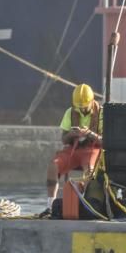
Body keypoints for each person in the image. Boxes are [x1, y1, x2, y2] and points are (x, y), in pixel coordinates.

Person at [44, 83, 102, 214]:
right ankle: (50, 204)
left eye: (84, 107)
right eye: (79, 107)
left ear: (92, 102)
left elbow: (105, 141)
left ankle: (85, 203)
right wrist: (72, 133)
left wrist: (89, 134)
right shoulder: (70, 112)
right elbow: (64, 140)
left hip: (92, 149)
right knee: (53, 165)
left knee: (90, 170)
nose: (81, 110)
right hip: (73, 149)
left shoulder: (101, 113)